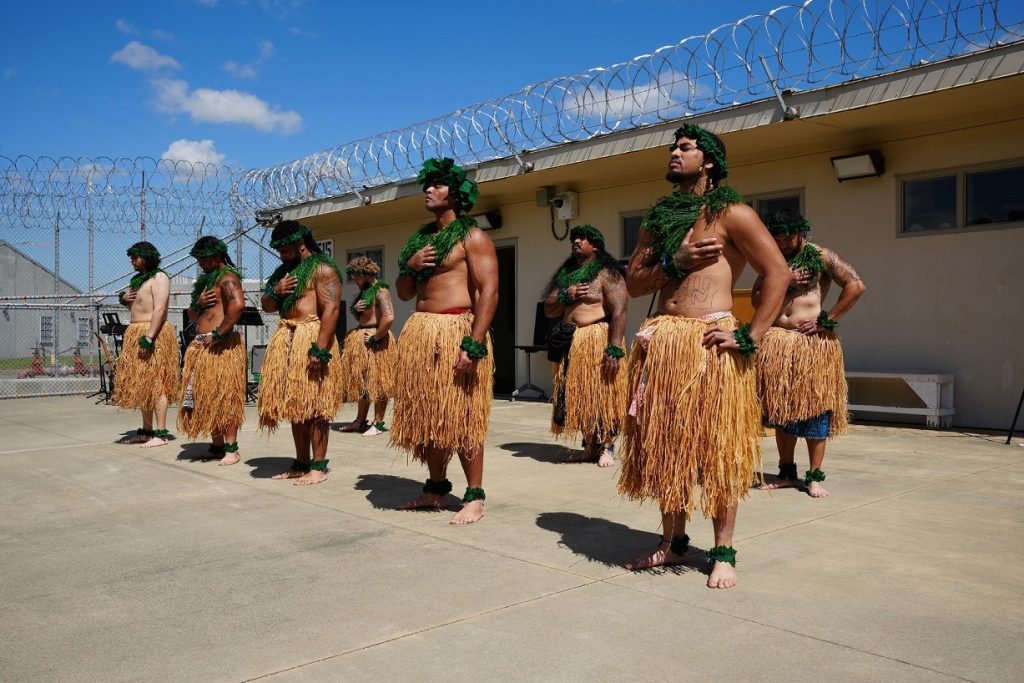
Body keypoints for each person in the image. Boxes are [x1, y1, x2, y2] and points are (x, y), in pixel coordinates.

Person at [618, 124, 790, 588]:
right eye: (673, 146)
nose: (675, 152)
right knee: (667, 446)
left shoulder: (733, 213)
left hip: (710, 343)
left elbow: (777, 274)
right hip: (664, 343)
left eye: (686, 147)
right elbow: (633, 284)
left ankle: (723, 551)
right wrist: (675, 263)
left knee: (717, 450)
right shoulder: (659, 218)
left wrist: (751, 335)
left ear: (709, 160)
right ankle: (672, 543)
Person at [391, 157, 498, 525]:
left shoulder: (474, 237)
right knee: (430, 413)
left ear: (455, 194)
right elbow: (404, 293)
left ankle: (474, 497)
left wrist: (475, 343)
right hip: (421, 332)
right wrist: (411, 266)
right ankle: (436, 489)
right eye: (427, 185)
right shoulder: (420, 240)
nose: (428, 190)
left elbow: (489, 292)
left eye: (436, 185)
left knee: (464, 415)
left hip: (457, 331)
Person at [754, 209, 865, 498]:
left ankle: (814, 477)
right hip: (778, 343)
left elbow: (856, 285)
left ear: (801, 232)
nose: (781, 242)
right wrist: (783, 281)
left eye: (787, 236)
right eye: (775, 237)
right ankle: (787, 473)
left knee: (816, 410)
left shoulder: (821, 256)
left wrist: (827, 320)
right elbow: (756, 298)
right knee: (782, 412)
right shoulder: (773, 260)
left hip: (810, 345)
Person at [258, 221, 345, 486]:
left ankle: (318, 467)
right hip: (286, 338)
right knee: (297, 404)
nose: (282, 255)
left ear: (301, 243)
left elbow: (331, 310)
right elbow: (267, 305)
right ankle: (301, 463)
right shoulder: (282, 273)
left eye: (285, 249)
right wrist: (276, 291)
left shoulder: (322, 268)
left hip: (312, 337)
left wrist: (319, 349)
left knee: (316, 406)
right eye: (279, 250)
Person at [542, 225, 628, 467]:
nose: (576, 241)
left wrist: (614, 347)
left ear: (596, 245)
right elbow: (549, 309)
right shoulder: (566, 274)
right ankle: (590, 445)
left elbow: (620, 310)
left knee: (604, 394)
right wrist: (564, 295)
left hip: (596, 339)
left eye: (583, 238)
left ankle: (608, 446)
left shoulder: (607, 274)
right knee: (579, 395)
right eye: (574, 238)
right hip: (571, 342)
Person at [177, 237, 247, 466]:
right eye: (198, 259)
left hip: (221, 346)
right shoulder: (207, 281)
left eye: (205, 258)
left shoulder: (227, 278)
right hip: (202, 345)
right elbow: (193, 316)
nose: (201, 263)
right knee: (208, 397)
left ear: (217, 255)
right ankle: (217, 447)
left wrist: (218, 335)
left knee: (225, 397)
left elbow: (237, 305)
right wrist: (197, 303)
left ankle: (232, 449)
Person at [113, 241, 180, 448]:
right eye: (131, 257)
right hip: (135, 332)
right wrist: (124, 299)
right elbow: (136, 305)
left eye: (135, 257)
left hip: (154, 334)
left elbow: (159, 309)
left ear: (146, 257)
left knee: (158, 382)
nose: (131, 261)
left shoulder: (159, 277)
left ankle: (160, 432)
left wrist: (149, 337)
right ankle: (146, 430)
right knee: (143, 383)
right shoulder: (137, 279)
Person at [337, 256, 396, 437]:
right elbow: (365, 317)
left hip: (376, 341)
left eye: (357, 276)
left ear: (366, 273)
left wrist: (375, 338)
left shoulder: (381, 291)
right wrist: (357, 309)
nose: (354, 280)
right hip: (362, 339)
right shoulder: (365, 292)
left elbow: (389, 317)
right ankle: (360, 421)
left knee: (378, 382)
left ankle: (378, 423)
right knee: (362, 382)